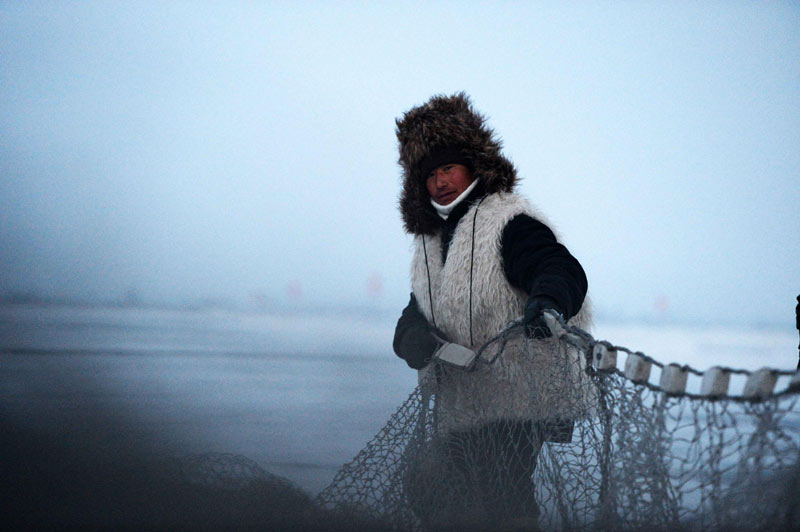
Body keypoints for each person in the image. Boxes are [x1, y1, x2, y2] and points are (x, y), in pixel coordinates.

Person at [392, 93, 592, 529]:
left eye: (448, 167)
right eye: (429, 174)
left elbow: (558, 267)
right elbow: (414, 312)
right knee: (435, 486)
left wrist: (548, 303)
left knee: (502, 491)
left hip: (519, 394)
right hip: (461, 400)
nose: (440, 181)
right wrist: (411, 339)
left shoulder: (508, 222)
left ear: (474, 165)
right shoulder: (430, 242)